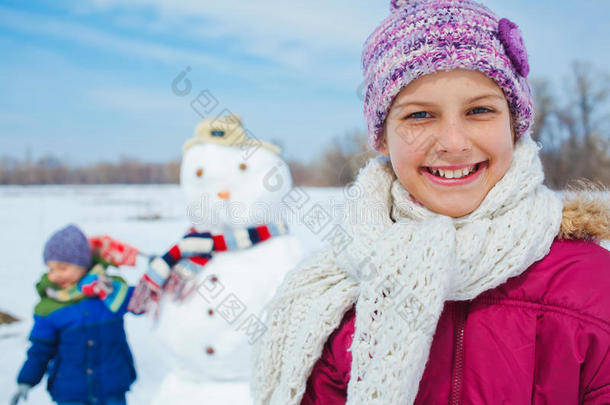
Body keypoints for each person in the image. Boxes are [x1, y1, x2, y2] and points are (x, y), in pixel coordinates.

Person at [250, 0, 610, 404]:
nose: (453, 143)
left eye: (479, 110)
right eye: (420, 115)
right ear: (382, 137)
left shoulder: (595, 287)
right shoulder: (328, 300)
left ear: (515, 124)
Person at [11, 224, 136, 405]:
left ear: (83, 265)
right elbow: (40, 350)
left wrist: (163, 269)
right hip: (70, 390)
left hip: (111, 386)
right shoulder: (48, 307)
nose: (54, 276)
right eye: (51, 269)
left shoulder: (108, 291)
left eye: (62, 268)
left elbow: (140, 301)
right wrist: (26, 380)